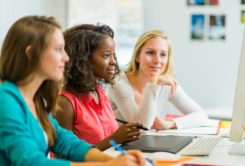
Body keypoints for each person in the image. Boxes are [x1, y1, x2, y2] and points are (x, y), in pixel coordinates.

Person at [0, 15, 144, 166]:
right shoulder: (5, 100)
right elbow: (31, 162)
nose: (66, 57)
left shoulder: (34, 101)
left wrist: (116, 161)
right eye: (58, 49)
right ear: (30, 54)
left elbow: (67, 144)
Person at [53, 24, 142, 151]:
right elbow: (63, 156)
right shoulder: (64, 103)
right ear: (83, 59)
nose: (114, 62)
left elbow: (111, 146)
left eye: (113, 55)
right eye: (106, 55)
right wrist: (114, 140)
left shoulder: (99, 92)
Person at [109, 29, 209, 130]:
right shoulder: (118, 83)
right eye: (150, 53)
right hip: (119, 145)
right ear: (137, 56)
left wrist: (170, 124)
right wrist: (153, 85)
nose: (157, 60)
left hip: (148, 142)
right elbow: (141, 127)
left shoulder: (165, 83)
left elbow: (201, 115)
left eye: (163, 54)